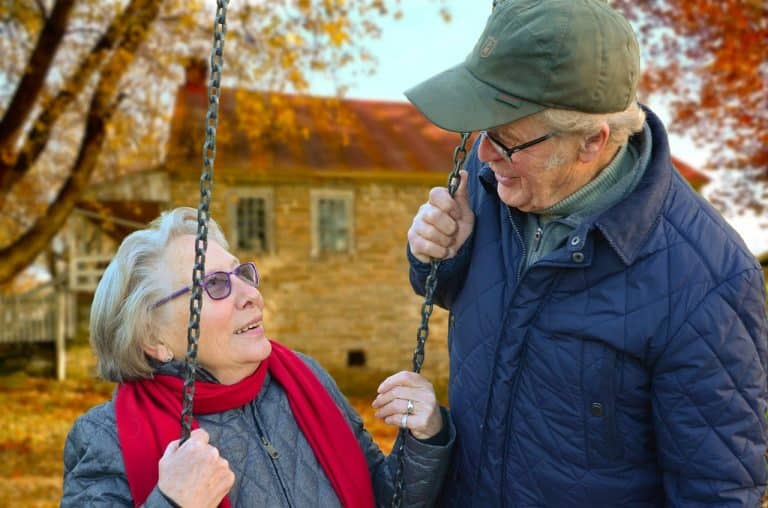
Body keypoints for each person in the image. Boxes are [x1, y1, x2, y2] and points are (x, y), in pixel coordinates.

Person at [404, 0, 768, 506]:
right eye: (483, 131)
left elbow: (717, 491)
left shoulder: (708, 281)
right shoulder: (493, 180)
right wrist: (437, 254)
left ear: (592, 142)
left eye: (507, 141)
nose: (484, 155)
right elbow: (455, 295)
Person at [62, 207, 454, 507]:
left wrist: (424, 438)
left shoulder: (304, 380)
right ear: (153, 338)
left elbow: (382, 498)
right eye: (215, 285)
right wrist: (172, 503)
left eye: (241, 274)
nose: (250, 295)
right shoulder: (105, 437)